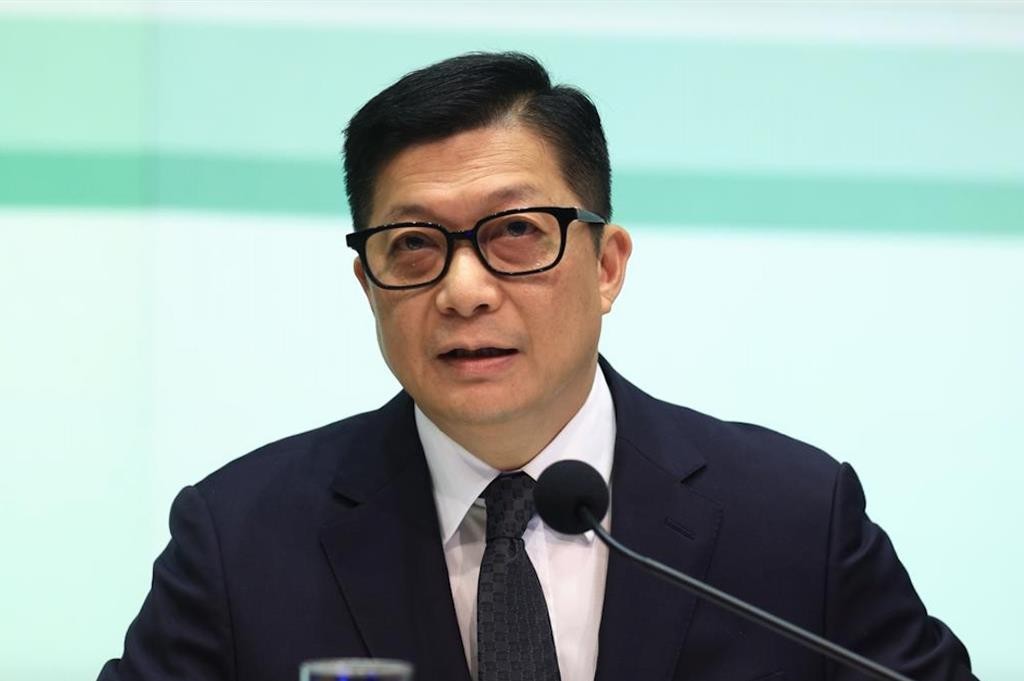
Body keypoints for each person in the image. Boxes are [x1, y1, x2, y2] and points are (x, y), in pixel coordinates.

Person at [99, 52, 976, 681]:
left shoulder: (795, 520)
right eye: (413, 245)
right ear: (368, 284)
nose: (464, 290)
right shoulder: (239, 542)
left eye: (516, 231)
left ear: (607, 266)